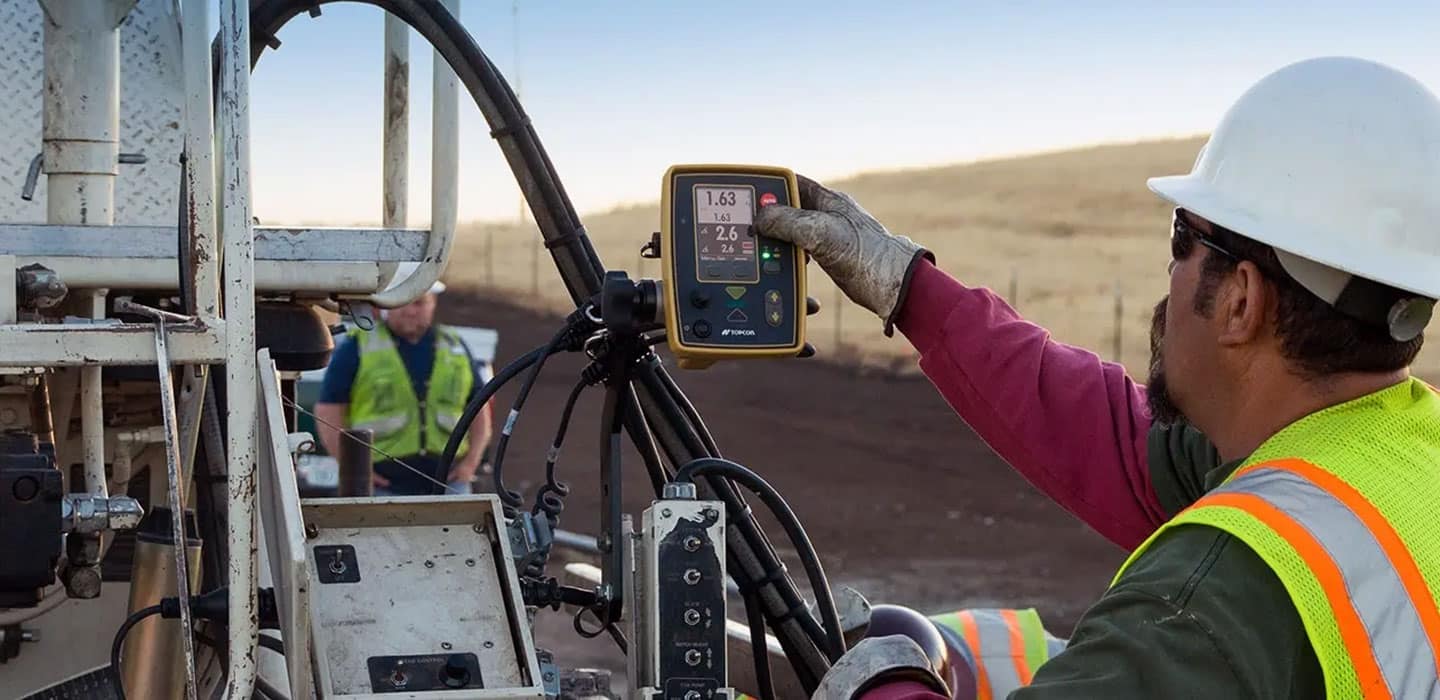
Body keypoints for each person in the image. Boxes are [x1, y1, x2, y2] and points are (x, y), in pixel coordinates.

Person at [759, 57, 1440, 699]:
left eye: (1183, 238)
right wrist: (911, 290)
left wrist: (880, 681)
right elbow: (1115, 438)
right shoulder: (1392, 453)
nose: (1170, 272)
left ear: (1240, 300)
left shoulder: (1217, 593)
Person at [315, 279, 493, 496]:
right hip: (383, 485)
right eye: (402, 303)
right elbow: (329, 413)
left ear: (432, 304)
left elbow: (479, 408)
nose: (410, 311)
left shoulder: (454, 345)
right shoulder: (356, 347)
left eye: (419, 303)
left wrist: (471, 462)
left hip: (450, 482)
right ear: (385, 306)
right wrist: (355, 470)